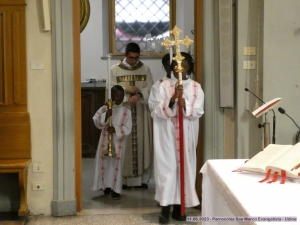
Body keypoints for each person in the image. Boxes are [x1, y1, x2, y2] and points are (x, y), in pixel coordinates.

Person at [152, 52, 204, 223]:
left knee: (184, 169)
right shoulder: (164, 86)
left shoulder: (196, 87)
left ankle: (180, 208)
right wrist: (173, 100)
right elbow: (156, 110)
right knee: (168, 170)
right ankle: (166, 208)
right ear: (171, 67)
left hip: (186, 134)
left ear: (189, 67)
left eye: (183, 65)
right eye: (175, 65)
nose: (179, 69)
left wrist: (186, 105)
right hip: (167, 134)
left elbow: (198, 110)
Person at [109, 42, 154, 188]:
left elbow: (151, 89)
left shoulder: (145, 69)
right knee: (123, 144)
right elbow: (110, 90)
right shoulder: (114, 70)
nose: (134, 61)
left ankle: (141, 181)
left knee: (141, 142)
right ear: (124, 55)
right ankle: (122, 181)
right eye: (131, 58)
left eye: (136, 58)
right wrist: (126, 90)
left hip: (140, 112)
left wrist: (140, 94)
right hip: (123, 113)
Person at [92, 85, 132, 200]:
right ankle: (106, 186)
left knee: (116, 165)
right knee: (105, 163)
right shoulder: (105, 108)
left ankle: (115, 189)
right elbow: (96, 120)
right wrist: (105, 116)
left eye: (121, 96)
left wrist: (116, 129)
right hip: (105, 141)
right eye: (116, 95)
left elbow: (128, 128)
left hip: (118, 142)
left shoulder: (126, 112)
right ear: (111, 96)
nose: (118, 98)